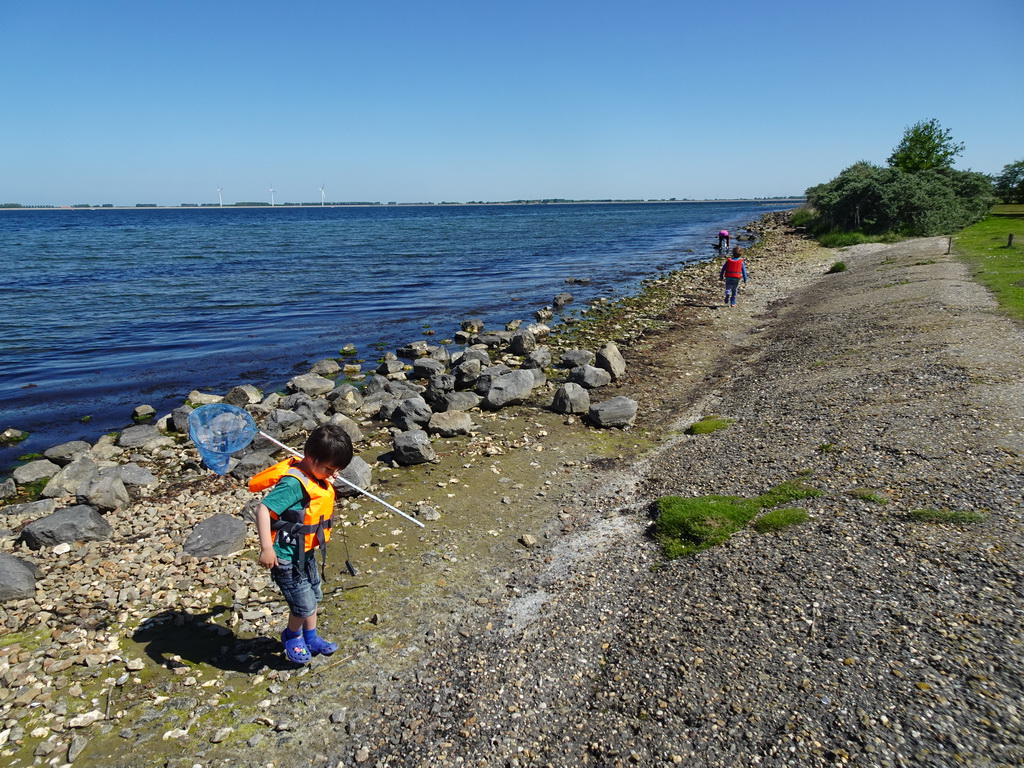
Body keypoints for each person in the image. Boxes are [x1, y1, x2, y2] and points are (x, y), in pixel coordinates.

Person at [250, 424, 354, 664]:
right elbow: (264, 509)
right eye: (329, 468)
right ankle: (292, 636)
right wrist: (266, 548)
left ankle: (311, 636)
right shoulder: (293, 484)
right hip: (285, 556)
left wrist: (328, 472)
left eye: (336, 470)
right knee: (303, 605)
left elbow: (320, 477)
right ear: (310, 458)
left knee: (314, 597)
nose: (332, 474)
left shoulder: (316, 472)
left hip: (305, 553)